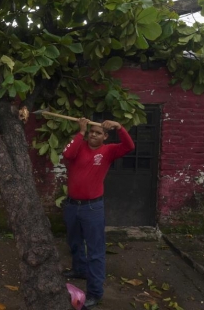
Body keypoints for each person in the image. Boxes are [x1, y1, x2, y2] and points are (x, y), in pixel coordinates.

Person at [61, 117, 135, 308]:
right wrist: (81, 132)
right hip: (71, 205)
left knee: (95, 251)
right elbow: (68, 155)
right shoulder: (79, 145)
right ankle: (79, 270)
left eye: (98, 132)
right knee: (74, 241)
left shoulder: (109, 151)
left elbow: (129, 146)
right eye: (91, 131)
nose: (93, 135)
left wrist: (120, 127)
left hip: (92, 208)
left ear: (105, 136)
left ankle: (95, 292)